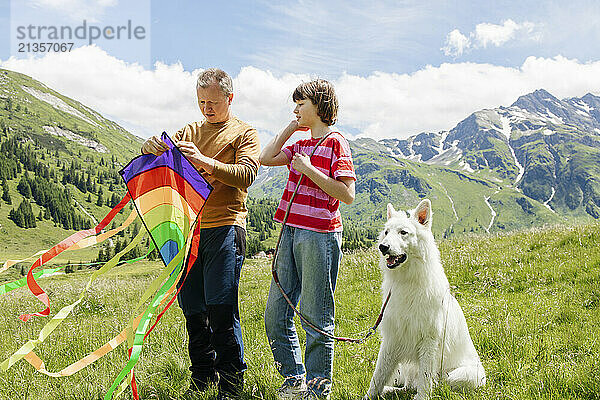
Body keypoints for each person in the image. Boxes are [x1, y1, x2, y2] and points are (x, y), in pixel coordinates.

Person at [141, 68, 260, 399]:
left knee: (221, 308)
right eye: (201, 101)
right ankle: (203, 376)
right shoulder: (189, 130)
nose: (206, 108)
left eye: (213, 102)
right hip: (187, 230)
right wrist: (148, 145)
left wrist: (205, 161)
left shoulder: (244, 132)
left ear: (229, 98)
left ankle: (232, 382)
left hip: (226, 225)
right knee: (193, 309)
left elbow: (248, 174)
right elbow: (161, 157)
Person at [259, 79, 356, 400]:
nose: (296, 108)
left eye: (302, 103)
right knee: (275, 313)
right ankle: (294, 380)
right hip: (289, 230)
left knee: (316, 316)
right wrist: (291, 126)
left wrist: (310, 170)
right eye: (295, 104)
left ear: (320, 106)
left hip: (320, 236)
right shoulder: (298, 144)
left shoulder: (337, 143)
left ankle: (317, 391)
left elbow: (347, 194)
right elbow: (266, 157)